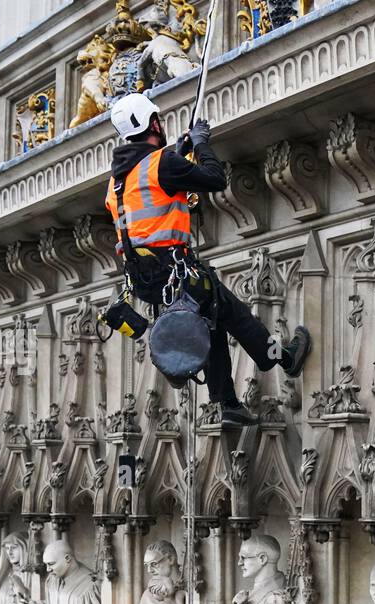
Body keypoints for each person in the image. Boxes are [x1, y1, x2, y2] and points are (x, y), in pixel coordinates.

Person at [104, 93, 312, 424]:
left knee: (211, 322)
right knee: (238, 317)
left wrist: (182, 147)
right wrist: (201, 145)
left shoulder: (117, 181)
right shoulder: (162, 165)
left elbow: (155, 182)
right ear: (154, 123)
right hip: (176, 270)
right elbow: (214, 178)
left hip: (146, 280)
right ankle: (282, 358)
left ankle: (227, 403)